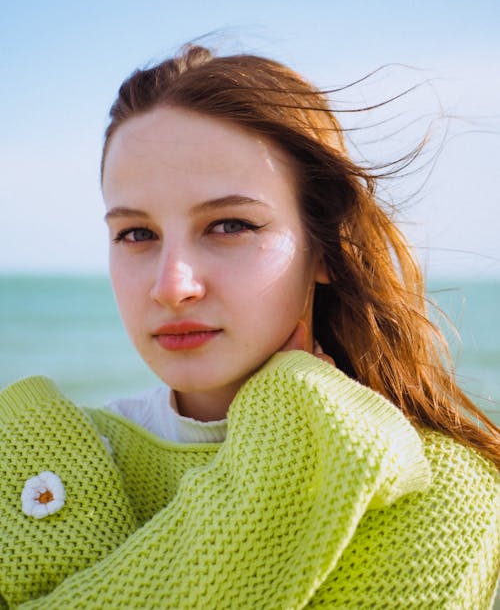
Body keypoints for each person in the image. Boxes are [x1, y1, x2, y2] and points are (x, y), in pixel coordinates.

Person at [1, 45, 499, 609]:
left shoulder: (439, 491)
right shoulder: (37, 462)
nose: (172, 285)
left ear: (325, 248)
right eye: (136, 234)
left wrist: (293, 448)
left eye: (229, 225)